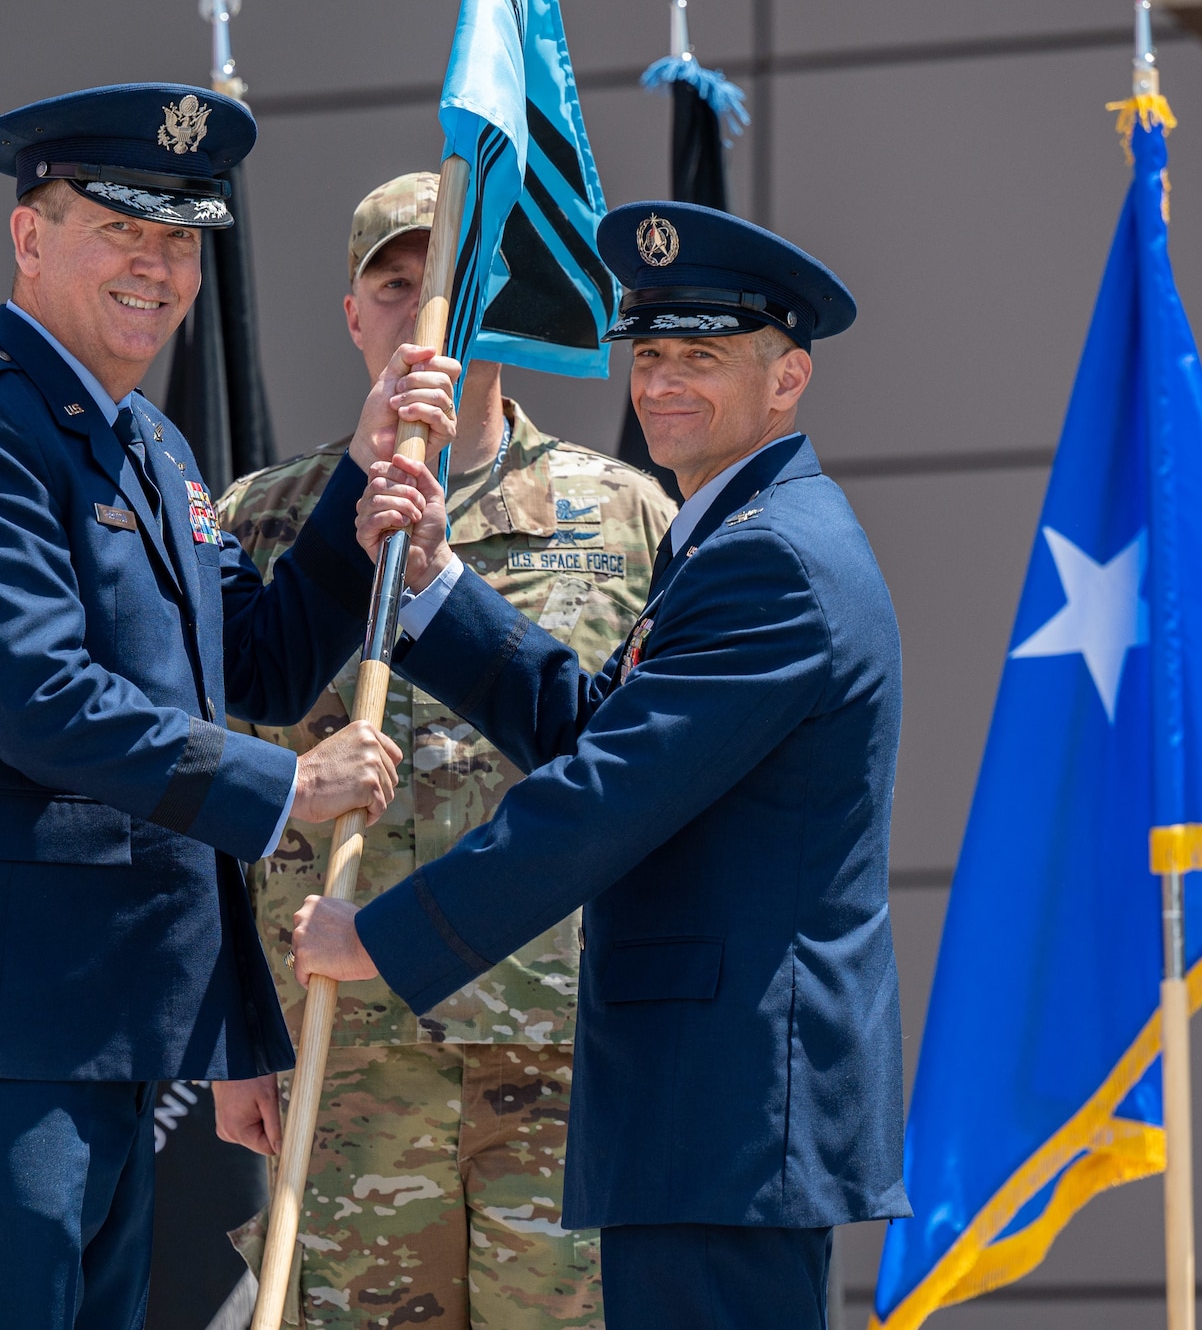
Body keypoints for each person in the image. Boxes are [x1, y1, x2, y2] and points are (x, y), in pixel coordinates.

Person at [0, 85, 461, 1330]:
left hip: (116, 1029)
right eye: (120, 229)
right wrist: (285, 787)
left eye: (179, 239)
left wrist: (361, 473)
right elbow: (42, 702)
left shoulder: (154, 449)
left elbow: (263, 661)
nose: (157, 267)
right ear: (28, 237)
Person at [292, 200, 911, 1329]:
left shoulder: (769, 557)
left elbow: (602, 795)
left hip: (721, 1107)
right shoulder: (731, 534)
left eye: (704, 356)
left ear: (787, 381)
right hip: (707, 1111)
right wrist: (432, 583)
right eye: (653, 352)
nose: (663, 382)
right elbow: (599, 732)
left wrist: (375, 938)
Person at [211, 172, 676, 1330]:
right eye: (395, 285)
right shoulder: (261, 521)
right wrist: (226, 1034)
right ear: (354, 314)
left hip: (561, 1050)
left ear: (498, 313)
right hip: (342, 1057)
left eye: (452, 291)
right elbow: (198, 796)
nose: (424, 317)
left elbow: (659, 787)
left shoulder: (626, 514)